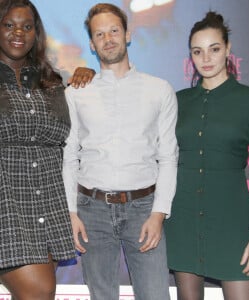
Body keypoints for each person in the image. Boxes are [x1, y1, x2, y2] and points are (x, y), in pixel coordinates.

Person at [63, 3, 178, 300]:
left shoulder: (159, 89)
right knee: (102, 296)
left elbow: (168, 156)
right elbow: (69, 154)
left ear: (128, 34)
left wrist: (158, 213)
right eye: (100, 34)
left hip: (144, 209)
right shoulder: (76, 91)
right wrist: (71, 212)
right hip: (92, 210)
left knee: (155, 295)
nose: (108, 38)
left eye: (114, 30)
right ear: (91, 43)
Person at [164, 11, 249, 300]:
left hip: (233, 224)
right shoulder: (177, 101)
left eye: (214, 49)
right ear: (191, 56)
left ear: (228, 49)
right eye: (197, 52)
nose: (206, 58)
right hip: (183, 222)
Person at [0, 0, 76, 299]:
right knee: (40, 292)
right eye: (9, 24)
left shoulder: (52, 83)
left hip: (48, 205)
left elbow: (67, 137)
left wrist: (89, 78)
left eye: (27, 26)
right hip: (6, 205)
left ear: (36, 34)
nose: (18, 32)